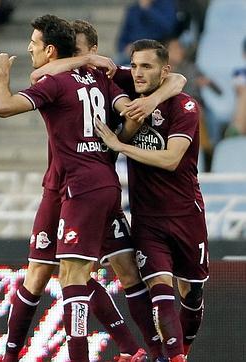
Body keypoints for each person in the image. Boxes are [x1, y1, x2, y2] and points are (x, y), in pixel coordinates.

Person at [12, 20, 191, 361]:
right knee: (49, 271)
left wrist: (148, 105)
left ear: (93, 50)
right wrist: (81, 62)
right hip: (59, 185)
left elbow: (178, 80)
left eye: (79, 53)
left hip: (92, 184)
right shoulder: (72, 73)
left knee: (116, 270)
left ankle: (148, 350)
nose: (74, 60)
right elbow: (38, 76)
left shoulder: (114, 76)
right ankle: (133, 348)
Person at [0, 14, 142, 362]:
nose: (28, 48)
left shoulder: (66, 80)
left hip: (80, 185)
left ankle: (112, 351)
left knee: (73, 275)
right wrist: (121, 138)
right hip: (65, 184)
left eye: (33, 44)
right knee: (40, 271)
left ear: (51, 49)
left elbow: (3, 105)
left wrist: (1, 74)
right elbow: (129, 109)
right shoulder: (96, 77)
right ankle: (11, 355)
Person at [95, 39, 208, 362]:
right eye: (135, 66)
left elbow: (171, 159)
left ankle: (181, 351)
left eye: (147, 67)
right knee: (160, 290)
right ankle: (171, 357)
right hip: (147, 218)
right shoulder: (128, 92)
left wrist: (120, 145)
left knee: (192, 292)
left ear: (164, 70)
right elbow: (97, 64)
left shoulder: (184, 106)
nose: (139, 73)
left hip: (186, 213)